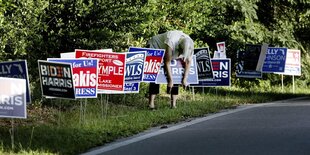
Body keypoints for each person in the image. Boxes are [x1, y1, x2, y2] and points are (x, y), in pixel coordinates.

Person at [146, 30, 194, 109]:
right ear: (179, 47)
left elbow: (188, 63)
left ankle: (173, 104)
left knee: (176, 75)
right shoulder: (171, 40)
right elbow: (167, 62)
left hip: (169, 50)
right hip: (155, 46)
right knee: (156, 74)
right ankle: (151, 104)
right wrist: (170, 80)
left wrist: (185, 79)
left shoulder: (190, 44)